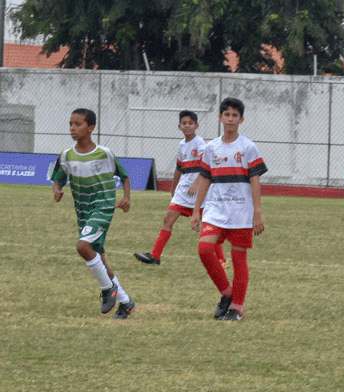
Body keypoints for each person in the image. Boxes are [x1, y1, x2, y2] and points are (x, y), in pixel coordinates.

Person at [50, 107, 137, 319]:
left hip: (103, 207)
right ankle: (125, 302)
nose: (72, 128)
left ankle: (108, 290)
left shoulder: (104, 153)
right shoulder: (66, 156)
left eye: (78, 124)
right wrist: (58, 190)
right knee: (101, 262)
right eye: (71, 124)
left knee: (82, 246)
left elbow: (124, 176)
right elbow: (58, 178)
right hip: (83, 211)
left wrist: (126, 197)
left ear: (90, 128)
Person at [190, 98, 265, 321]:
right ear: (220, 118)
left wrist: (257, 212)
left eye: (235, 115)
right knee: (204, 249)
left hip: (241, 212)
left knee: (239, 258)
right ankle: (227, 293)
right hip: (215, 210)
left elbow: (255, 180)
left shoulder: (248, 147)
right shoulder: (211, 147)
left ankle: (237, 308)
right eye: (227, 115)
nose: (230, 119)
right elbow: (204, 178)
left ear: (241, 119)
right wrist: (196, 211)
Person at [135, 110, 219, 266]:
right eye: (184, 123)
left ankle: (220, 259)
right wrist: (173, 189)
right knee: (168, 219)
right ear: (179, 126)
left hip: (197, 190)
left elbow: (206, 166)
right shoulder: (182, 145)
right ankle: (155, 256)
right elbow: (179, 168)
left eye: (190, 123)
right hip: (183, 191)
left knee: (208, 224)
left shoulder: (200, 143)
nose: (187, 126)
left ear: (196, 126)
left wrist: (196, 183)